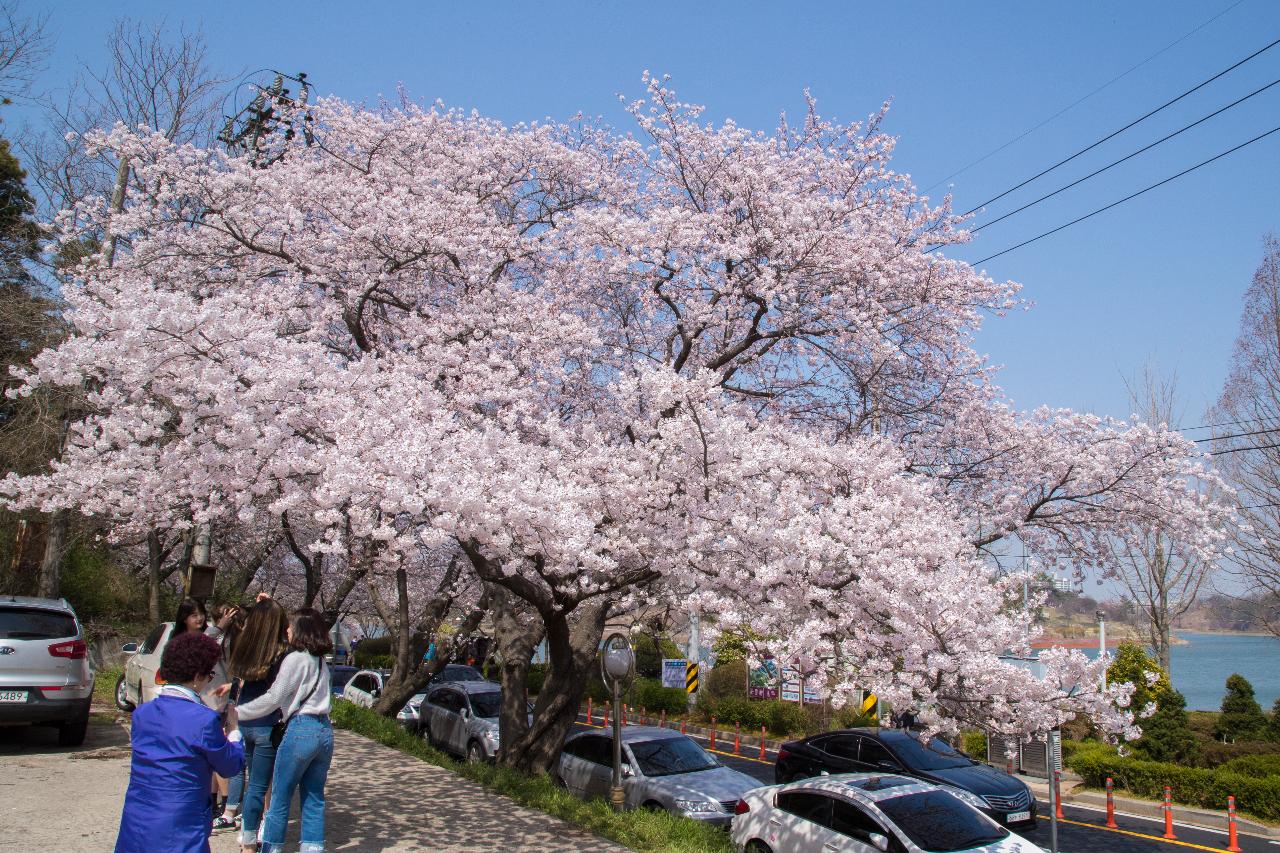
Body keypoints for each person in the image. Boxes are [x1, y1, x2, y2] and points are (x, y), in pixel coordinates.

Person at [116, 632, 245, 853]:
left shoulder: (142, 714)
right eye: (209, 674)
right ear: (196, 676)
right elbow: (230, 765)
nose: (208, 680)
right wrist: (234, 732)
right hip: (180, 824)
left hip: (137, 819)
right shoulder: (204, 720)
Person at [233, 608, 333, 853]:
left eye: (290, 626)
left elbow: (274, 698)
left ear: (301, 629)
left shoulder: (295, 659)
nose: (286, 630)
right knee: (314, 799)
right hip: (325, 731)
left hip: (301, 728)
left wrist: (238, 713)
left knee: (279, 797)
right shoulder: (321, 661)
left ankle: (271, 849)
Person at [216, 598, 291, 849]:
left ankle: (247, 836)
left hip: (244, 722)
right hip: (267, 724)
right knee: (261, 787)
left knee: (252, 785)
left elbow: (239, 684)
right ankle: (251, 840)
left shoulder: (245, 647)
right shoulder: (281, 652)